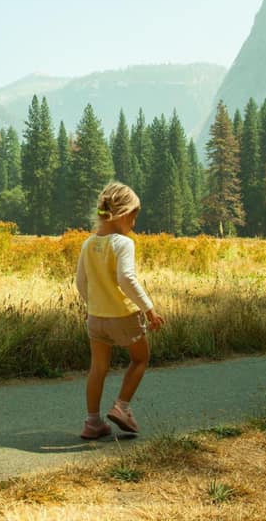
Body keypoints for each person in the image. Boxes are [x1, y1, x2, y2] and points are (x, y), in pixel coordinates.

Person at [75, 182, 165, 439]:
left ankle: (92, 422)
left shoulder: (88, 244)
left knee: (98, 367)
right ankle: (121, 407)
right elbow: (126, 278)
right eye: (134, 218)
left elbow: (81, 282)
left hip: (96, 318)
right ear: (124, 214)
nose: (133, 224)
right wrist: (149, 309)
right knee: (140, 358)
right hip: (123, 316)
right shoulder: (123, 243)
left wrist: (91, 305)